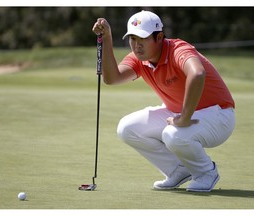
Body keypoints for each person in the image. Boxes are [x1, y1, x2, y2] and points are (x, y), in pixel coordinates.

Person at [92, 10, 235, 192]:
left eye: (142, 39)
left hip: (219, 115)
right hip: (180, 113)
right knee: (127, 128)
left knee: (173, 133)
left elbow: (198, 73)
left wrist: (184, 117)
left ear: (159, 38)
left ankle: (206, 172)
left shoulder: (178, 49)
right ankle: (178, 170)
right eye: (132, 39)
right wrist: (107, 38)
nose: (137, 46)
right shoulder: (139, 60)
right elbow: (111, 78)